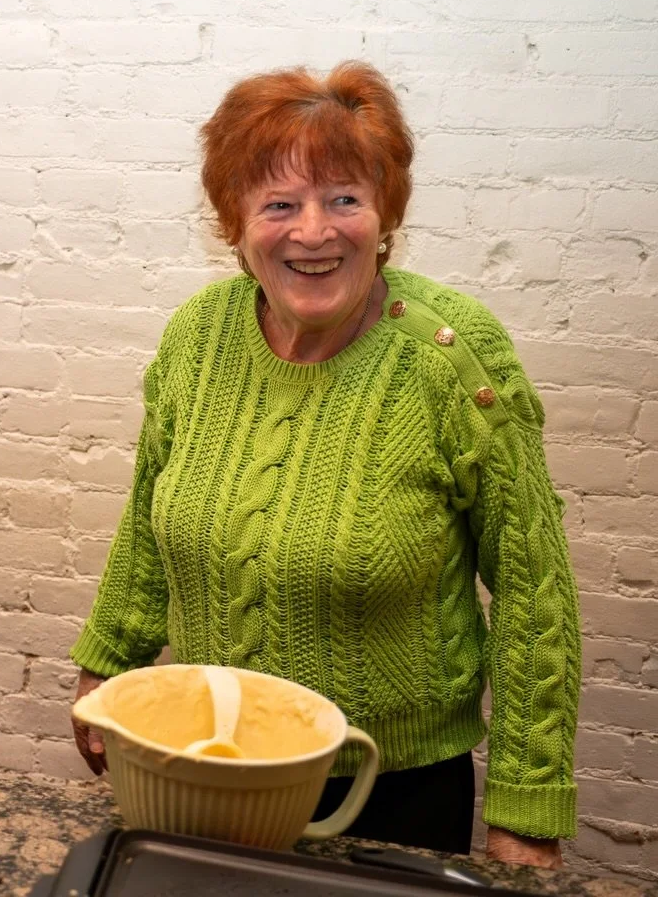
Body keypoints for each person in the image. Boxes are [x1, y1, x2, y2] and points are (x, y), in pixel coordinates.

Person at [68, 63, 579, 867]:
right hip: (205, 766)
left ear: (384, 215)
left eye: (344, 199)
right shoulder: (198, 336)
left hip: (390, 793)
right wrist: (108, 664)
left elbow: (532, 586)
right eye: (280, 204)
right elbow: (147, 519)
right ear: (235, 224)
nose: (314, 232)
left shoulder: (451, 355)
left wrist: (528, 809)